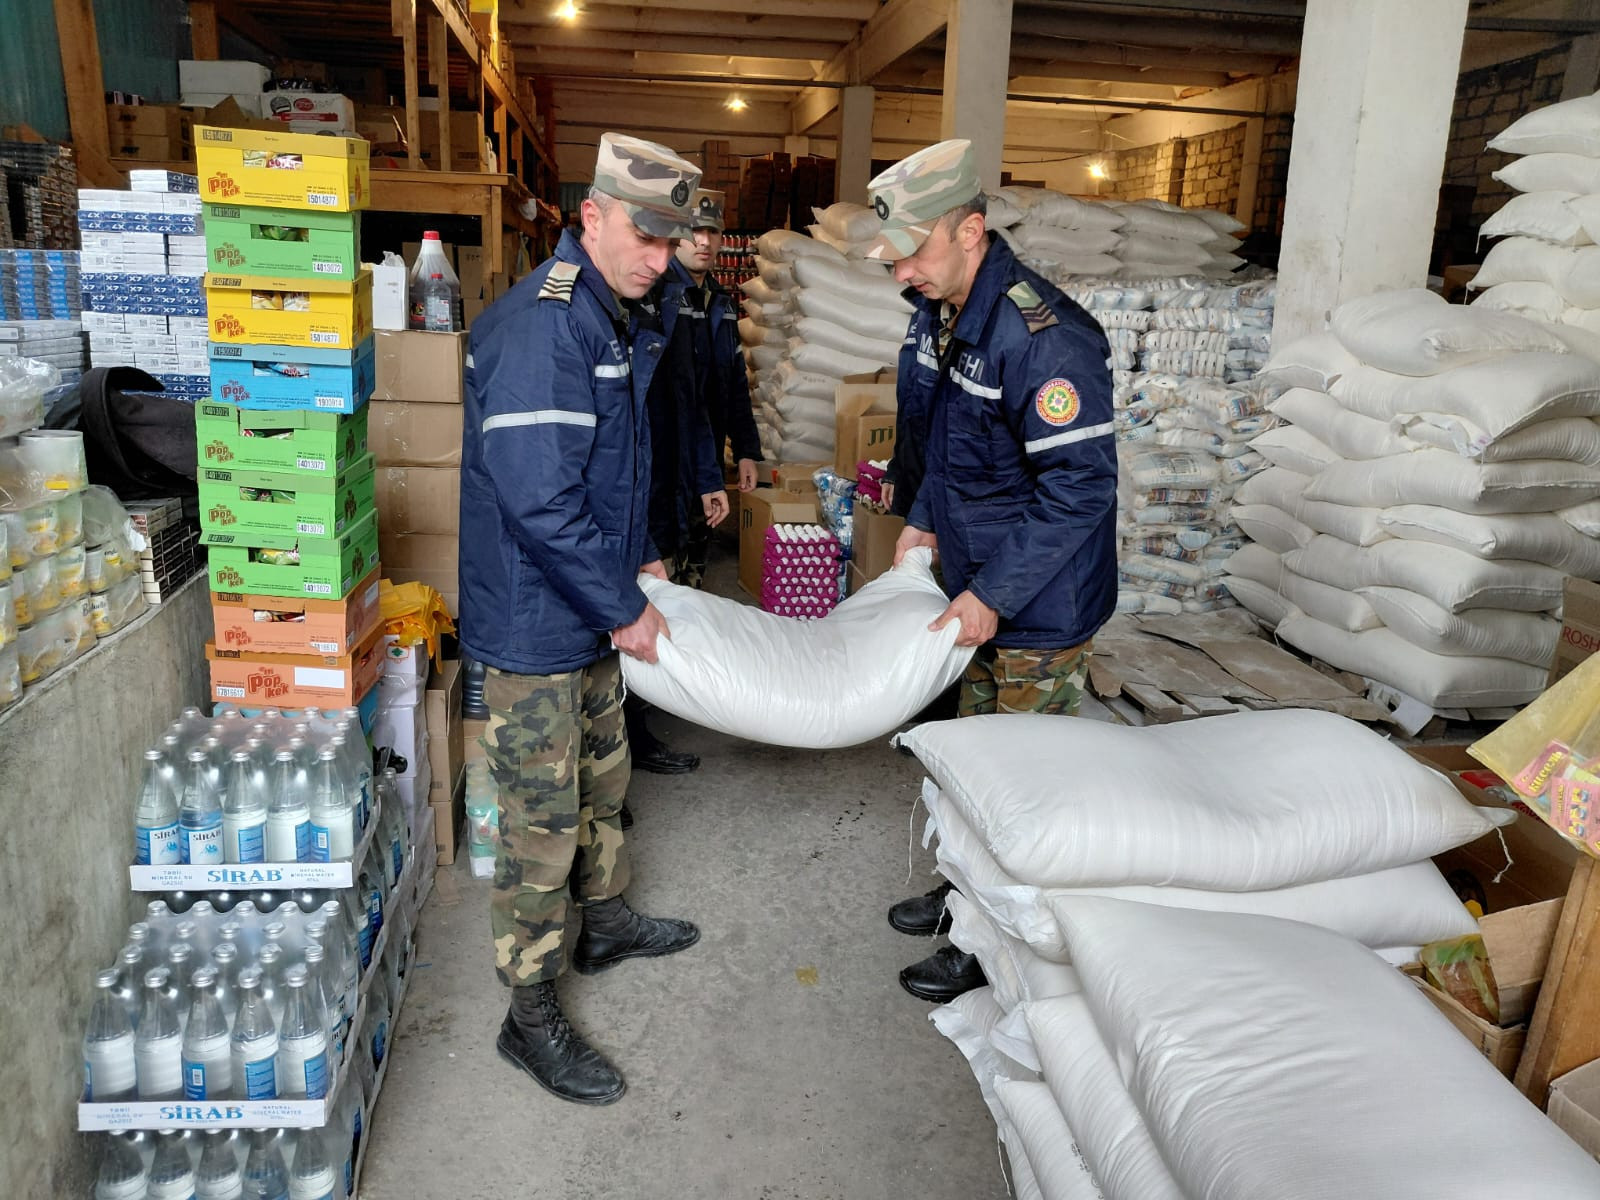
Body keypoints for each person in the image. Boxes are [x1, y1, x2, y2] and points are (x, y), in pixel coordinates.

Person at [457, 132, 705, 1105]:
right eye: (643, 234)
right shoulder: (543, 329)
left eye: (670, 241)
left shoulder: (611, 318)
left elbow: (607, 464)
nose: (659, 256)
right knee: (538, 822)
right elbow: (537, 501)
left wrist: (636, 554)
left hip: (589, 604)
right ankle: (528, 1016)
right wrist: (622, 607)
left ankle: (602, 924)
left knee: (604, 780)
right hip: (535, 620)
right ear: (590, 216)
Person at [866, 140, 1118, 1004]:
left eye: (914, 252)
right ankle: (963, 895)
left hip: (1036, 608)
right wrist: (926, 526)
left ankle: (991, 944)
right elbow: (949, 442)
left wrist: (991, 596)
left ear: (970, 230)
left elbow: (1080, 490)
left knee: (1023, 796)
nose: (903, 272)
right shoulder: (946, 312)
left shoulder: (1045, 340)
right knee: (972, 770)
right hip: (976, 585)